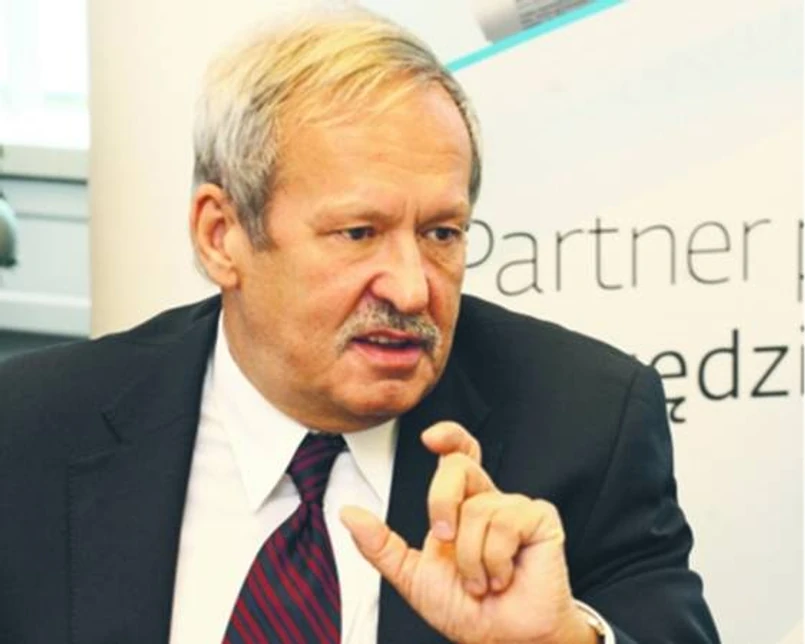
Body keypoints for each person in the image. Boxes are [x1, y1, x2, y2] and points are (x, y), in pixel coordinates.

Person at [0, 8, 719, 644]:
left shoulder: (585, 421)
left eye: (440, 233)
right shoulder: (32, 426)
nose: (411, 288)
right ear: (222, 236)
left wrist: (560, 642)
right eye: (357, 233)